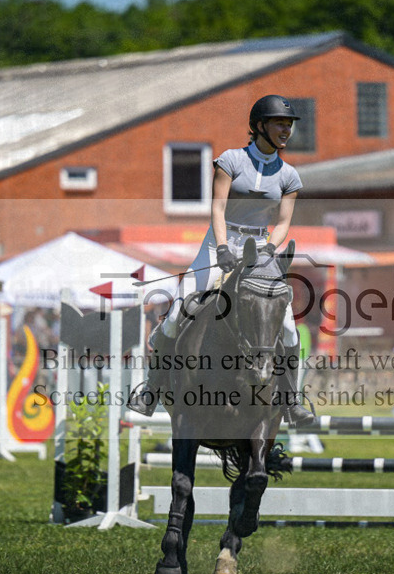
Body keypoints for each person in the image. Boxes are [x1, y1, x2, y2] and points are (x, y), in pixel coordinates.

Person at [128, 94, 315, 426]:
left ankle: (291, 402)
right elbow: (217, 208)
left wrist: (270, 249)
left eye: (288, 125)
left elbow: (284, 222)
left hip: (260, 246)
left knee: (286, 326)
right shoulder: (231, 160)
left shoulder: (289, 176)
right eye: (279, 124)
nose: (286, 130)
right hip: (219, 241)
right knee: (178, 310)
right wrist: (224, 247)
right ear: (260, 126)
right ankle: (151, 390)